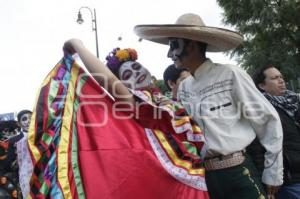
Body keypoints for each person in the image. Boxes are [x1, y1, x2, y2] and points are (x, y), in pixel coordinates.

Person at [134, 13, 284, 199]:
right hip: (204, 179)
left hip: (238, 172)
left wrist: (273, 174)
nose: (169, 53)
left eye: (174, 45)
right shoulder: (185, 88)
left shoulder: (230, 74)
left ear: (192, 44)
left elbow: (268, 121)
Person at [252, 65, 300, 199]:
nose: (281, 81)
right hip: (288, 179)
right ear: (262, 85)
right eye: (274, 78)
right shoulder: (261, 110)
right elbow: (257, 149)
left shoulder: (294, 102)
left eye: (281, 77)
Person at [16, 110, 33, 199]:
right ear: (19, 124)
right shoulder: (14, 140)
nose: (28, 121)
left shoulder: (43, 137)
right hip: (24, 181)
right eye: (24, 119)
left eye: (30, 117)